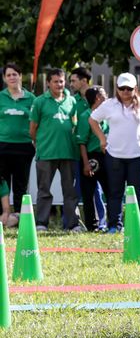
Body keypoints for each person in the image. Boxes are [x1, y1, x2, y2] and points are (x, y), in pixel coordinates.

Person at [89, 72, 140, 233]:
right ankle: (114, 225)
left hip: (137, 156)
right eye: (122, 88)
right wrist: (102, 138)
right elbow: (93, 120)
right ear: (117, 89)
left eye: (129, 88)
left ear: (135, 88)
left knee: (137, 194)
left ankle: (138, 226)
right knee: (115, 193)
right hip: (114, 156)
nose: (126, 92)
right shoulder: (109, 104)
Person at [29, 68, 80, 232]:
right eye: (56, 81)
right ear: (48, 83)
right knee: (44, 190)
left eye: (62, 81)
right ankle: (41, 223)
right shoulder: (39, 102)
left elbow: (74, 124)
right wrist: (42, 145)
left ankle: (72, 224)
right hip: (46, 153)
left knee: (70, 192)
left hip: (68, 153)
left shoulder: (72, 101)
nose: (59, 84)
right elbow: (33, 129)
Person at [0, 63, 36, 218]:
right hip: (3, 146)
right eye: (8, 75)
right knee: (3, 183)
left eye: (15, 74)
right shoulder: (0, 97)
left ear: (20, 76)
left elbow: (36, 122)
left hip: (24, 147)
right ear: (4, 78)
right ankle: (3, 215)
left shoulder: (32, 98)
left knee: (21, 184)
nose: (12, 77)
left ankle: (21, 216)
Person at [76, 86, 110, 231]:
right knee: (88, 193)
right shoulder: (85, 116)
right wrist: (85, 164)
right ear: (98, 98)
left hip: (107, 156)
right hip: (90, 157)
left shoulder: (107, 115)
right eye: (104, 95)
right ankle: (92, 224)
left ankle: (113, 222)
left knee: (110, 191)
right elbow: (82, 142)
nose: (107, 97)